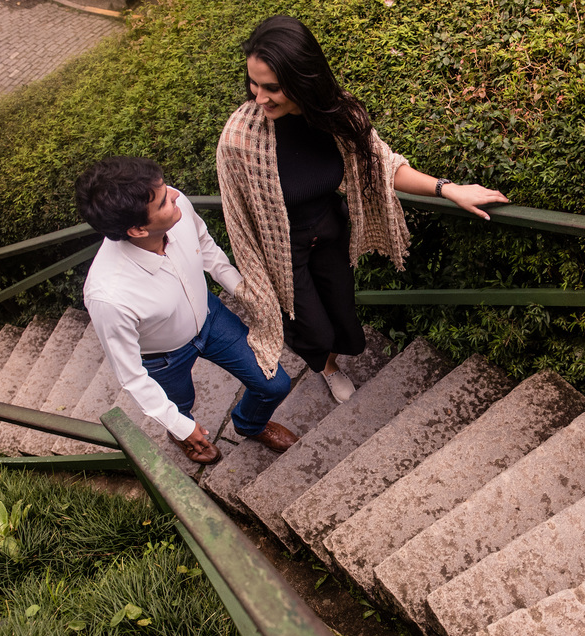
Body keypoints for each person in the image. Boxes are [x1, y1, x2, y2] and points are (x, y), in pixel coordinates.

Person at [216, 15, 509, 403]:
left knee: (343, 316)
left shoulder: (338, 115)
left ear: (303, 79)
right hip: (282, 253)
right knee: (314, 330)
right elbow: (238, 219)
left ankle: (331, 360)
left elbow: (382, 164)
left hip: (332, 234)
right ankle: (326, 367)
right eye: (253, 83)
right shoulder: (240, 139)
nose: (259, 97)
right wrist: (255, 282)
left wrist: (448, 189)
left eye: (272, 87)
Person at [75, 156, 299, 465]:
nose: (176, 195)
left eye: (165, 188)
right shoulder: (109, 296)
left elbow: (205, 247)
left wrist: (241, 289)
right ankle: (184, 435)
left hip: (211, 318)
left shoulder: (176, 207)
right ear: (138, 229)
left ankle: (251, 424)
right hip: (162, 358)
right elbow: (130, 374)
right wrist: (179, 425)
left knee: (274, 385)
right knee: (179, 406)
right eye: (163, 201)